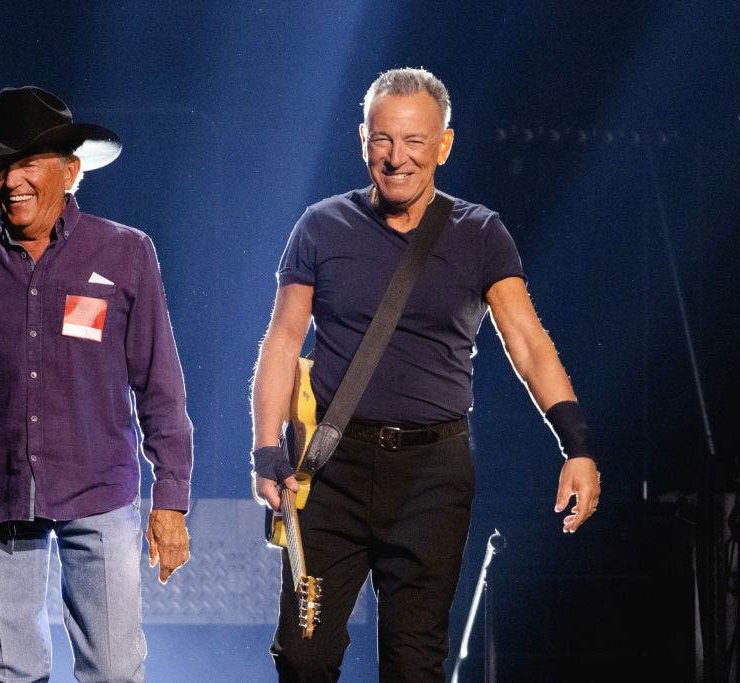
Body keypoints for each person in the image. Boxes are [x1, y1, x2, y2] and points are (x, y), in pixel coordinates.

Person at [249, 67, 601, 681]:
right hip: (331, 473)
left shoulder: (481, 233)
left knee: (414, 664)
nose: (397, 158)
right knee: (304, 658)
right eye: (383, 139)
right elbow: (282, 341)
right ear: (363, 140)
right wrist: (264, 449)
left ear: (444, 144)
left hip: (431, 478)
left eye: (415, 141)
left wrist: (576, 446)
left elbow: (528, 343)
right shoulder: (321, 226)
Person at [0, 85, 193, 683]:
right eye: (1, 164)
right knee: (13, 673)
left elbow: (160, 385)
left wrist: (171, 498)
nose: (12, 179)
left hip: (100, 492)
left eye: (27, 163)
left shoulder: (125, 253)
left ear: (71, 172)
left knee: (114, 673)